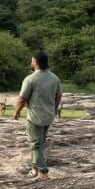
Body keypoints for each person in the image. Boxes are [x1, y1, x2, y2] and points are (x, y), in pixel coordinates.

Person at [13, 50, 62, 180]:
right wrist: (54, 109)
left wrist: (16, 111)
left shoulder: (30, 79)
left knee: (35, 144)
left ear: (36, 62)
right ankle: (34, 169)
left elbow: (22, 98)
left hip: (35, 117)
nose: (31, 62)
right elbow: (58, 96)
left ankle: (43, 172)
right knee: (40, 143)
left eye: (32, 60)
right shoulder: (54, 78)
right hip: (48, 116)